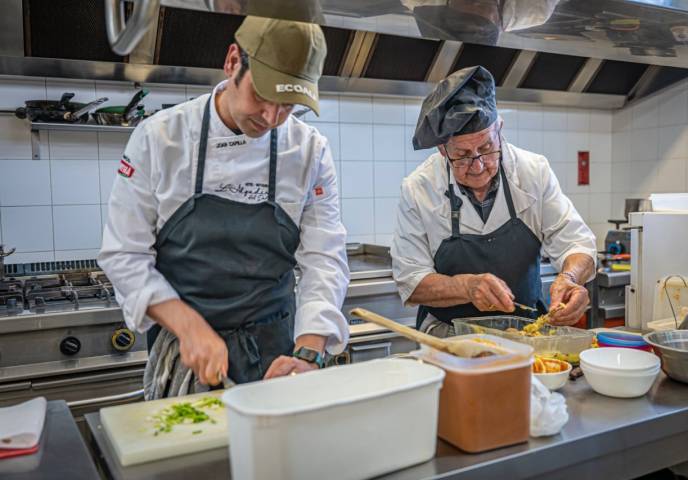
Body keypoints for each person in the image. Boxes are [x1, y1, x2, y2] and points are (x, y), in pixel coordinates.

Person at [98, 16, 349, 397]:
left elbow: (324, 257)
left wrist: (310, 351)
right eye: (262, 96)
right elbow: (124, 255)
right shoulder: (160, 138)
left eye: (288, 106)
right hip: (187, 353)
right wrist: (189, 326)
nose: (271, 118)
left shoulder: (310, 150)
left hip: (275, 356)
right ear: (233, 61)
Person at [391, 65, 597, 337]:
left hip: (526, 334)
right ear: (442, 149)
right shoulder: (419, 188)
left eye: (487, 148)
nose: (477, 166)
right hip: (448, 337)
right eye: (463, 155)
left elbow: (576, 242)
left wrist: (571, 279)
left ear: (499, 129)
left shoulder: (533, 172)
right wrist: (466, 287)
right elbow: (411, 281)